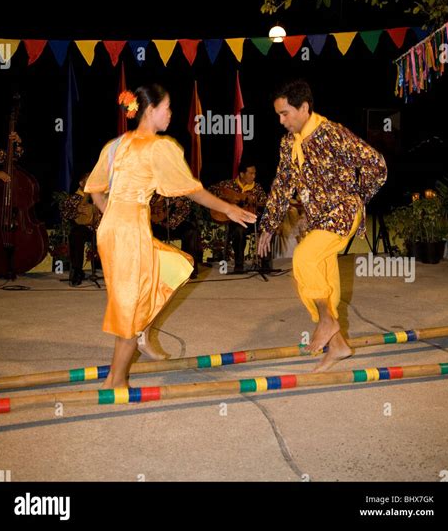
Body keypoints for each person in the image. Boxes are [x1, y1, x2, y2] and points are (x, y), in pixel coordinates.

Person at [85, 85, 256, 389]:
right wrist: (227, 207)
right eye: (167, 107)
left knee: (174, 267)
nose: (171, 113)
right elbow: (193, 190)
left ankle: (142, 334)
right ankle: (116, 380)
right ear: (151, 111)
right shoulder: (158, 146)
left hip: (113, 229)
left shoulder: (115, 145)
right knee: (131, 305)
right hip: (128, 233)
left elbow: (95, 187)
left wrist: (112, 211)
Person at [258, 79, 387, 371]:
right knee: (318, 280)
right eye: (278, 115)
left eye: (285, 113)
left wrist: (358, 197)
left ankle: (327, 322)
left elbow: (376, 164)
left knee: (303, 257)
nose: (281, 121)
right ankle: (337, 344)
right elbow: (282, 184)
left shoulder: (332, 133)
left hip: (341, 214)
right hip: (319, 221)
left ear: (304, 107)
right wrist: (268, 225)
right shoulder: (289, 143)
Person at [210, 162, 267, 273]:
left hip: (252, 222)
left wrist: (254, 202)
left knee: (266, 227)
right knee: (238, 230)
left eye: (254, 173)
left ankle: (265, 264)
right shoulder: (228, 184)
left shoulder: (257, 188)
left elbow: (266, 203)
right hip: (232, 221)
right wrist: (230, 198)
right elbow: (212, 190)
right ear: (241, 174)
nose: (253, 176)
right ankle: (239, 264)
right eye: (250, 173)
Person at [60, 173, 102, 286]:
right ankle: (77, 271)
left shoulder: (99, 196)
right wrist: (77, 210)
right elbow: (64, 213)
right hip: (85, 229)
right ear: (81, 183)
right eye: (88, 181)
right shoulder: (75, 198)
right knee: (76, 234)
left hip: (101, 229)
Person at [150, 193, 201, 279]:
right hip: (155, 224)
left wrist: (173, 207)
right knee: (145, 230)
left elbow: (175, 221)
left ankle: (189, 268)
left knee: (191, 231)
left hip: (173, 224)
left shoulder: (183, 197)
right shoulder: (152, 190)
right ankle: (150, 268)